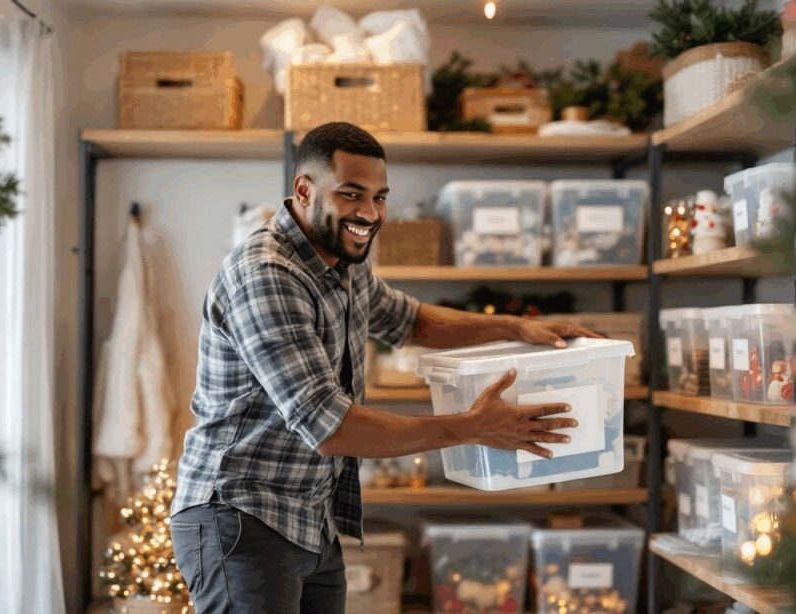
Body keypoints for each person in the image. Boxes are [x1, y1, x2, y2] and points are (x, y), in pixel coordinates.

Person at [169, 122, 600, 613]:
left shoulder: (342, 261)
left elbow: (410, 321)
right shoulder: (267, 274)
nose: (370, 214)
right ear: (304, 190)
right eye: (351, 194)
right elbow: (331, 427)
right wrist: (472, 427)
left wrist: (516, 327)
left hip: (308, 516)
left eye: (379, 198)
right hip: (240, 514)